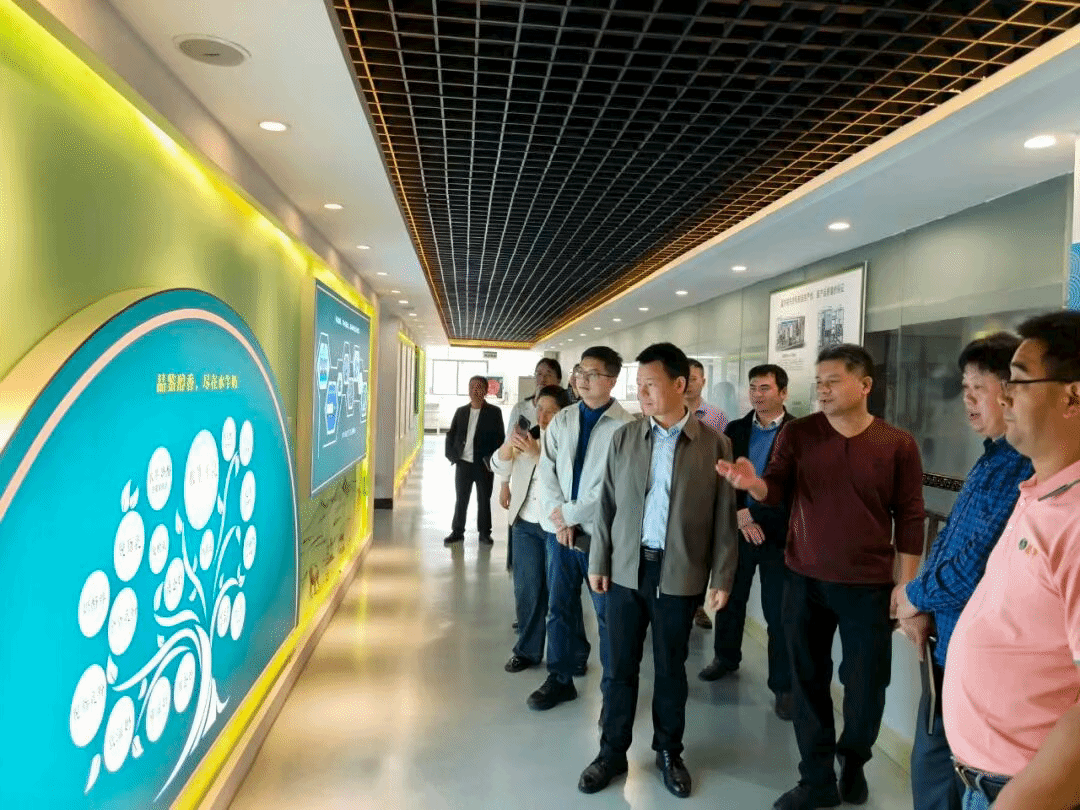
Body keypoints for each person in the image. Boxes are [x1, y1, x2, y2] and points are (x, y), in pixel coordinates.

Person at [717, 344, 926, 810]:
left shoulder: (896, 443)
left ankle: (853, 759)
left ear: (865, 385)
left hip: (868, 585)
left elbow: (910, 517)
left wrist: (905, 584)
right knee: (807, 681)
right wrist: (753, 485)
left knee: (867, 685)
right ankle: (816, 778)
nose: (823, 391)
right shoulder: (800, 433)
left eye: (832, 381)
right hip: (803, 578)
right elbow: (776, 488)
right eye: (818, 383)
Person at [579, 343, 738, 798]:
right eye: (639, 385)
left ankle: (669, 752)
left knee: (670, 669)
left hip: (679, 574)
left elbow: (725, 518)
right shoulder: (625, 438)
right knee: (618, 669)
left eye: (650, 384)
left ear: (680, 384)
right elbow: (607, 506)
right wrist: (599, 561)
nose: (642, 393)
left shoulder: (715, 444)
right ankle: (611, 753)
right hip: (625, 572)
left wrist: (722, 577)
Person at [942, 311, 1080, 810]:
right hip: (985, 782)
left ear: (1072, 397)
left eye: (1017, 383)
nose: (1003, 399)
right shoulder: (1040, 492)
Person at [893, 333, 1031, 810]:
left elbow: (973, 568)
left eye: (979, 388)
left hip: (977, 657)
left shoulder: (1023, 468)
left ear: (1012, 392)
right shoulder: (992, 457)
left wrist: (913, 596)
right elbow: (952, 543)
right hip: (947, 641)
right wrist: (921, 603)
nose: (968, 400)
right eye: (965, 388)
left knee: (944, 776)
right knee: (933, 769)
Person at [527, 347, 634, 711]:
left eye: (592, 373)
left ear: (612, 380)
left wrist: (567, 516)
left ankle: (613, 694)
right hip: (561, 535)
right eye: (579, 372)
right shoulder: (563, 419)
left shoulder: (626, 427)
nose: (582, 380)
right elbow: (547, 470)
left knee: (607, 616)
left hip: (600, 538)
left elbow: (610, 486)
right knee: (558, 608)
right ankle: (560, 679)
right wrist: (560, 519)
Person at [700, 364, 796, 723]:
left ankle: (783, 686)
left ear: (783, 392)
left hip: (779, 534)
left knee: (779, 612)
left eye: (765, 388)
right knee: (730, 598)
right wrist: (741, 513)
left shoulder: (798, 433)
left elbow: (799, 487)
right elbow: (721, 477)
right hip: (739, 528)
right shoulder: (735, 430)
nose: (758, 394)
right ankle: (725, 658)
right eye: (753, 387)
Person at [491, 384, 571, 673]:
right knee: (527, 589)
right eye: (540, 410)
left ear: (564, 414)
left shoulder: (569, 441)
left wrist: (538, 455)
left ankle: (569, 656)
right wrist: (508, 446)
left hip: (556, 526)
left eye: (551, 411)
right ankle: (527, 650)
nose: (544, 417)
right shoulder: (529, 435)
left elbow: (570, 482)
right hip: (525, 522)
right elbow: (498, 465)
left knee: (561, 593)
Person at [501, 359, 563, 572]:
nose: (542, 378)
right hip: (524, 501)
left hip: (553, 508)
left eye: (548, 374)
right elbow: (507, 449)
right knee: (526, 571)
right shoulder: (521, 408)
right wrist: (504, 484)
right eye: (539, 374)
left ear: (558, 379)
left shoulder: (567, 415)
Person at [685, 358, 728, 630]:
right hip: (672, 494)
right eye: (685, 378)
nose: (689, 384)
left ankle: (697, 605)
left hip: (704, 494)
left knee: (701, 554)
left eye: (694, 379)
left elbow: (724, 456)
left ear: (703, 381)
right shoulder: (667, 413)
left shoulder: (717, 417)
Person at [444, 375, 505, 546]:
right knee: (461, 499)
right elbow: (451, 434)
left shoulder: (494, 412)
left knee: (484, 499)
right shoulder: (461, 412)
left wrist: (491, 460)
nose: (474, 390)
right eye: (472, 387)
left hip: (483, 464)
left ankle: (484, 533)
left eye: (478, 387)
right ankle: (457, 532)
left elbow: (500, 438)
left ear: (485, 391)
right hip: (463, 463)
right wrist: (452, 455)